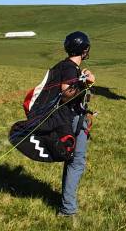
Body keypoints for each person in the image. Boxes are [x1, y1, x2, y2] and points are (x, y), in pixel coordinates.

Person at [44, 31, 95, 217]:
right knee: (77, 163)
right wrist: (87, 83)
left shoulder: (65, 66)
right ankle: (68, 209)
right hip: (71, 119)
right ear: (84, 50)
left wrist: (82, 78)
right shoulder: (69, 68)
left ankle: (67, 203)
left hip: (67, 118)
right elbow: (66, 93)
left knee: (72, 162)